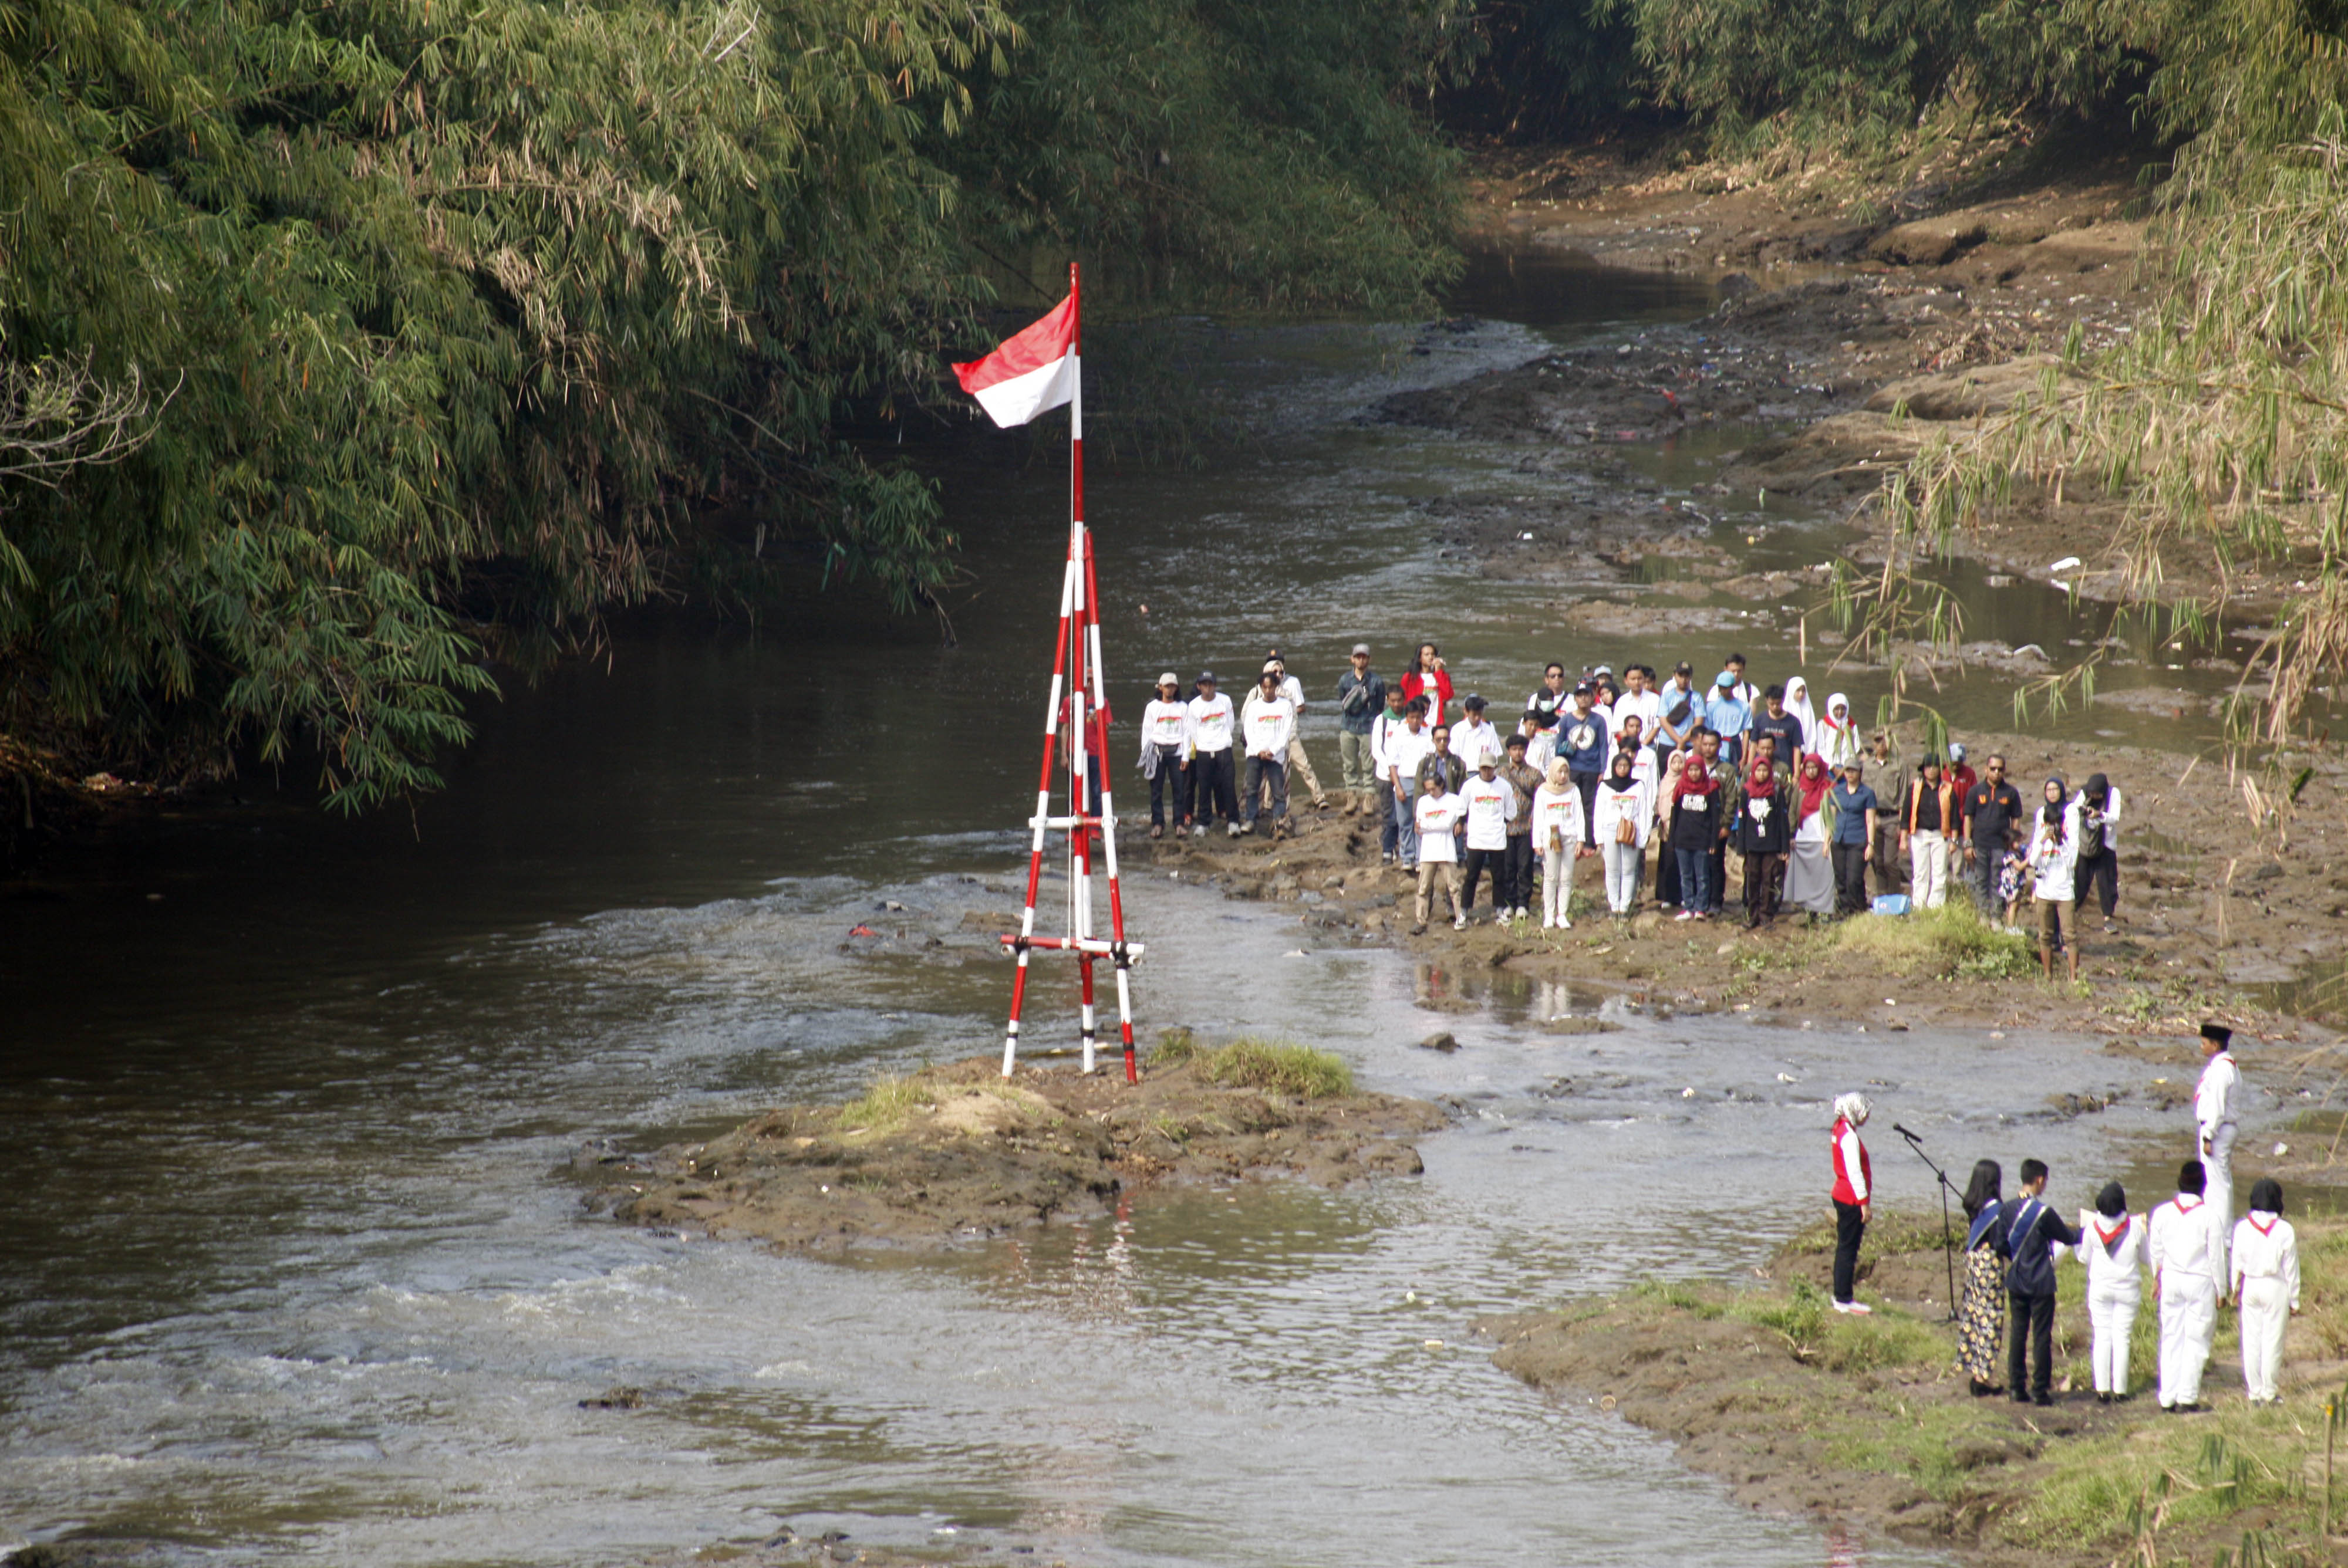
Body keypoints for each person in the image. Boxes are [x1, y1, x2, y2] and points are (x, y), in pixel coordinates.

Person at [1994, 1157, 2082, 1407]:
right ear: (2040, 1180)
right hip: (2041, 1282)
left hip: (2017, 1280)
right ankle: (2040, 1390)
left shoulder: (2007, 1209)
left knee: (2018, 1335)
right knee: (2042, 1337)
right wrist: (2091, 1229)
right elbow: (2067, 1236)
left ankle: (2016, 1388)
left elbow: (2001, 1244)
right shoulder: (2044, 1213)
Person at [2149, 1160, 2222, 1412]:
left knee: (2170, 1337)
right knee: (2196, 1340)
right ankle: (2187, 1397)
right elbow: (2216, 1258)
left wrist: (2156, 1278)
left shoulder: (2162, 1213)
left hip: (2170, 1278)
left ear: (2179, 1183)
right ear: (2204, 1186)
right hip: (2199, 1280)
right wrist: (2221, 1290)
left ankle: (2167, 1397)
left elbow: (2155, 1251)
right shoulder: (2210, 1216)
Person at [2076, 1181, 2150, 1402]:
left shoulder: (2091, 1228)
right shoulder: (2135, 1228)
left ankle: (2102, 1390)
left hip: (2100, 1289)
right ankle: (2120, 1390)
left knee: (2102, 1336)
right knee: (2122, 1338)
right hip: (2128, 1291)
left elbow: (2083, 1258)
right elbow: (2146, 1258)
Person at [2232, 1178, 2300, 1406]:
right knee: (2273, 1340)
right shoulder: (2284, 1230)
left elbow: (2236, 1262)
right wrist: (2295, 1299)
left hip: (2250, 1286)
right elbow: (2291, 1268)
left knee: (2251, 1340)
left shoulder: (2242, 1227)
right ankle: (2269, 1392)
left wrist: (2234, 1288)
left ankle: (2254, 1392)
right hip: (2275, 1286)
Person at [1957, 1160, 2007, 1396]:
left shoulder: (1975, 1206)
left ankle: (1974, 1369)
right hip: (1989, 1267)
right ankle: (1982, 1378)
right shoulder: (1996, 1210)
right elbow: (1999, 1243)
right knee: (1991, 1320)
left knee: (1975, 1315)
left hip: (1973, 1264)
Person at [2196, 1021, 2242, 1276]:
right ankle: (2215, 1231)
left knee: (2218, 1184)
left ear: (2215, 1045)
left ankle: (2223, 1238)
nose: (2201, 1047)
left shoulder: (2222, 1070)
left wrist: (2209, 1135)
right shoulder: (2223, 1066)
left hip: (2218, 1130)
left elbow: (2217, 1106)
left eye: (2204, 1043)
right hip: (2219, 1129)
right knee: (2214, 1183)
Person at [2026, 776, 2080, 982]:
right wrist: (2043, 839)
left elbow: (2073, 860)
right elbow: (2033, 860)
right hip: (2044, 888)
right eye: (2048, 790)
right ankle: (2047, 975)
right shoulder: (2042, 813)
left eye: (2055, 789)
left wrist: (2060, 840)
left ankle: (2073, 978)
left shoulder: (2071, 812)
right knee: (2044, 934)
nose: (2052, 793)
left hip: (2064, 888)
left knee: (2070, 934)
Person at [1733, 754, 1793, 928]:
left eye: (1765, 770)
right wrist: (1741, 846)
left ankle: (1766, 914)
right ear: (1753, 771)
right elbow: (1742, 819)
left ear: (1770, 772)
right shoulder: (1746, 791)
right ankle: (1752, 915)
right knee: (1752, 879)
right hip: (1752, 844)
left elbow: (1782, 819)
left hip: (1771, 844)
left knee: (1768, 880)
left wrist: (1783, 847)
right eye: (1758, 770)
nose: (1761, 774)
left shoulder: (1776, 791)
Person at [1959, 754, 2024, 915]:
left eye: (2000, 769)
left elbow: (2016, 819)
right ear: (1986, 770)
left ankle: (1996, 916)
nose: (1996, 772)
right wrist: (1967, 844)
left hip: (2000, 847)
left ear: (2004, 771)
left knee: (1998, 881)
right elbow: (1968, 818)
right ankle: (1982, 916)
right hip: (1979, 844)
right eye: (1993, 769)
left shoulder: (2011, 793)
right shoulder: (1975, 791)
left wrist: (2013, 845)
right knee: (1980, 881)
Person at [1263, 651, 1328, 811]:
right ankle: (1267, 804)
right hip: (1271, 736)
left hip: (1290, 735)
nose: (1278, 673)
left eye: (1280, 668)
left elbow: (1300, 707)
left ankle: (1319, 798)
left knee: (1304, 766)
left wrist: (1285, 716)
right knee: (1271, 770)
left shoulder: (1291, 683)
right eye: (1273, 667)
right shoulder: (1262, 686)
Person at [1669, 741, 1726, 921]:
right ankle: (1688, 906)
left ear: (1702, 771)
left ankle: (1701, 908)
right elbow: (1675, 815)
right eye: (1691, 770)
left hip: (1702, 840)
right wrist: (1672, 840)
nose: (1694, 773)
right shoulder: (1680, 788)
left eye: (1697, 770)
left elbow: (1714, 818)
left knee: (1702, 876)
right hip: (1683, 839)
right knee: (1685, 876)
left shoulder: (1711, 789)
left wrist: (1713, 842)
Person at [1829, 1093, 1874, 1315]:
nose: (1867, 1116)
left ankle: (1841, 1294)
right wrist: (1864, 1204)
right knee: (1849, 1249)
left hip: (1841, 1194)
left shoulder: (1839, 1128)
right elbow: (1855, 1173)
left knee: (1844, 1247)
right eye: (1865, 1111)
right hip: (1850, 1198)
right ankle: (1843, 1299)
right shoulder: (1849, 1137)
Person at [1459, 754, 1518, 922]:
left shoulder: (1504, 787)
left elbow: (1512, 812)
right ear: (1479, 768)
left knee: (1499, 877)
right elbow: (1461, 809)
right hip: (1476, 839)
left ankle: (1500, 910)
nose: (1487, 771)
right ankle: (1464, 912)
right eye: (1484, 768)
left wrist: (1499, 823)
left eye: (1490, 768)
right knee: (1471, 876)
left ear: (1495, 768)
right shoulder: (1470, 786)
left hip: (1497, 839)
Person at [1593, 748, 1649, 917]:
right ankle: (1614, 906)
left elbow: (1644, 812)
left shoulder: (1638, 786)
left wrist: (1643, 837)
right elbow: (1598, 812)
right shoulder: (1605, 786)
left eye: (1626, 765)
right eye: (1620, 766)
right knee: (1612, 869)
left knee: (1629, 870)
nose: (1623, 769)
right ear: (1614, 767)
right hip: (1609, 829)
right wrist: (1598, 837)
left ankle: (1625, 907)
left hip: (1631, 830)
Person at [1239, 665, 1295, 838]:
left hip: (1275, 755)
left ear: (1276, 687)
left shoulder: (1285, 706)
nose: (1269, 690)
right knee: (1252, 789)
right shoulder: (1254, 707)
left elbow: (1286, 731)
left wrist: (1272, 750)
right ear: (1261, 688)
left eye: (1271, 687)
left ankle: (1279, 821)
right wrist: (1258, 750)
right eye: (1265, 687)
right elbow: (1248, 730)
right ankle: (1251, 820)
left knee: (1279, 791)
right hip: (1255, 754)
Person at [1373, 691, 1428, 864]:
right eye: (1411, 717)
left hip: (1423, 783)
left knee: (1420, 822)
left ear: (1422, 717)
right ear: (1407, 718)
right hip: (1403, 780)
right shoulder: (1398, 733)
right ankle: (1406, 857)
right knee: (1403, 821)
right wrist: (1397, 786)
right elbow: (1392, 762)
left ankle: (1420, 858)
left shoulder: (1429, 734)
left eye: (1418, 717)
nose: (1415, 721)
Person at [1138, 673, 1193, 839]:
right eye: (1167, 686)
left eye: (1173, 686)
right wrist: (1146, 755)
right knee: (1156, 790)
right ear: (1160, 687)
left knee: (1179, 790)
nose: (1170, 689)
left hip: (1176, 752)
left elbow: (1187, 733)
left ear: (1176, 688)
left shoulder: (1183, 707)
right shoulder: (1152, 707)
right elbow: (1146, 733)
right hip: (1157, 752)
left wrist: (1185, 756)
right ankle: (1158, 823)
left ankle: (1179, 823)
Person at [1186, 670, 1240, 837]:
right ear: (1199, 686)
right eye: (1204, 685)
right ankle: (1204, 822)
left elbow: (1230, 723)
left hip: (1223, 748)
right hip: (1203, 750)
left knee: (1228, 785)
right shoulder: (1194, 705)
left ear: (1215, 686)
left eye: (1210, 685)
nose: (1208, 688)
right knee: (1204, 787)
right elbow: (1192, 730)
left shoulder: (1225, 701)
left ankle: (1233, 821)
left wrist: (1222, 740)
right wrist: (1203, 744)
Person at [1411, 772, 1466, 934]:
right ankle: (1421, 920)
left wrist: (1428, 825)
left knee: (1454, 887)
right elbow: (1420, 826)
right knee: (1423, 887)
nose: (1431, 793)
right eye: (1428, 789)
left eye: (1433, 789)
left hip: (1447, 850)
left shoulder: (1453, 800)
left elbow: (1448, 824)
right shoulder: (1423, 802)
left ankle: (1460, 918)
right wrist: (1432, 825)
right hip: (1428, 851)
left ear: (1441, 785)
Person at [1334, 644, 1385, 817]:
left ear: (1369, 659)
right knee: (1349, 764)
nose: (1361, 660)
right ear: (1352, 659)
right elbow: (1343, 699)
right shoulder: (1345, 680)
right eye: (1358, 657)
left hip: (1368, 727)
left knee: (1369, 765)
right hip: (1348, 726)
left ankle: (1369, 796)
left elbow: (1380, 706)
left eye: (1364, 657)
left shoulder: (1376, 681)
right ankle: (1351, 795)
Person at [1532, 758, 1584, 929]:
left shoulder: (1573, 790)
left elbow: (1579, 816)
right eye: (1559, 772)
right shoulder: (1543, 791)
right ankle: (1549, 914)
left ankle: (1562, 914)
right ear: (1553, 772)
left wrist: (1581, 839)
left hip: (1570, 837)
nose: (1563, 776)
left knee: (1566, 877)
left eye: (1566, 772)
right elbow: (1538, 818)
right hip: (1550, 838)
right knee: (1551, 877)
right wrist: (1537, 842)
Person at [1783, 753, 1837, 916]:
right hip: (1803, 837)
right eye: (1808, 768)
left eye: (1814, 768)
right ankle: (1806, 907)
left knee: (1823, 874)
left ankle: (1823, 909)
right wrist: (1791, 835)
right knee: (1804, 874)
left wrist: (1829, 838)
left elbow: (1833, 813)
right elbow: (1793, 811)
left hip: (1822, 838)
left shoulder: (1829, 787)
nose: (1811, 771)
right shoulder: (1800, 787)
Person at [1900, 756, 1956, 909]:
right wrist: (1904, 839)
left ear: (1940, 769)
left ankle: (1936, 905)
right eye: (1928, 767)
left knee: (1940, 872)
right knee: (1920, 872)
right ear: (1923, 770)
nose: (1931, 770)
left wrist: (1954, 841)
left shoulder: (1948, 789)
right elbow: (1906, 814)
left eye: (1934, 767)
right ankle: (1918, 905)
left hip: (1941, 835)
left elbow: (1955, 817)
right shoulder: (1915, 788)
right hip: (1919, 834)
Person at [1499, 732, 1543, 922]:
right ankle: (1509, 903)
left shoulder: (1534, 774)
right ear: (1509, 751)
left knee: (1525, 867)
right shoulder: (1501, 774)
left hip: (1527, 827)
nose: (1518, 753)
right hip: (1506, 829)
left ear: (1525, 751)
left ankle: (1524, 903)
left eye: (1521, 749)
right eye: (1514, 749)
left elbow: (1542, 799)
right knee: (1508, 867)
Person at [2073, 772, 2124, 928]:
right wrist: (2084, 812)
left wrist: (2100, 815)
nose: (2094, 796)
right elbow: (2074, 811)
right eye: (2092, 793)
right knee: (2080, 881)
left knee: (2106, 882)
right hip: (2087, 844)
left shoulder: (2113, 794)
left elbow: (2115, 817)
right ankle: (2071, 911)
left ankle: (2108, 917)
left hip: (2106, 844)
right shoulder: (2084, 793)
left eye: (2097, 794)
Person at [1559, 686, 1609, 844]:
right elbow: (1559, 745)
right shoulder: (1567, 720)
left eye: (1586, 695)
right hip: (1572, 768)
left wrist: (1603, 770)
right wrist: (1560, 768)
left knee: (1590, 806)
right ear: (1575, 698)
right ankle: (1571, 840)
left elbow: (1603, 746)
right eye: (1580, 696)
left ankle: (1589, 841)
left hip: (1592, 769)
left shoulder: (1598, 720)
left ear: (1592, 697)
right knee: (1570, 805)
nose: (1583, 699)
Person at [1827, 758, 1877, 915]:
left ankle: (1858, 907)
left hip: (1858, 839)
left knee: (1854, 878)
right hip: (1839, 839)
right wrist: (1826, 841)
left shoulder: (1867, 793)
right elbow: (1831, 818)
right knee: (1841, 878)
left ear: (1859, 773)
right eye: (1847, 771)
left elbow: (1870, 820)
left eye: (1853, 771)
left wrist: (1871, 844)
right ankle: (1845, 911)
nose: (1850, 774)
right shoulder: (1837, 791)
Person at [1401, 642, 1453, 727]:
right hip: (1415, 721)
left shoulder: (1442, 676)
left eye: (1433, 654)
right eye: (1427, 654)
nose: (1431, 657)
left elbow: (1448, 695)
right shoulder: (1409, 677)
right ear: (1419, 658)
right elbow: (1404, 700)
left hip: (1436, 722)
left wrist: (1439, 671)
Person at [1655, 661, 1702, 756]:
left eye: (1687, 676)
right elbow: (1663, 721)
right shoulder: (1666, 696)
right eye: (1680, 676)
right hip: (1667, 743)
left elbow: (1698, 723)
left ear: (1691, 677)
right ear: (1674, 675)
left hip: (1689, 744)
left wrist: (1683, 740)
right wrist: (1679, 740)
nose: (1684, 680)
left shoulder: (1697, 697)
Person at [1704, 671, 1749, 767]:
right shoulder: (1711, 707)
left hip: (1735, 743)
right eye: (1720, 688)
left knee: (1734, 775)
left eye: (1725, 688)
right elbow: (1708, 730)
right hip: (1716, 743)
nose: (1722, 691)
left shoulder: (1744, 707)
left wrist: (1744, 758)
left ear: (1732, 687)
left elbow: (1746, 733)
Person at [1749, 684, 1805, 762]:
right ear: (1766, 701)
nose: (1775, 707)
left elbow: (1797, 748)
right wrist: (1750, 767)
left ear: (1783, 700)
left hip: (1785, 766)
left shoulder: (1794, 722)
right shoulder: (1759, 720)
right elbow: (1753, 744)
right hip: (1762, 767)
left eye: (1778, 704)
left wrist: (1796, 773)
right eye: (1772, 704)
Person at [1454, 694, 1504, 771]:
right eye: (1474, 715)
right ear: (1466, 712)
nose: (1477, 718)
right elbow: (1454, 755)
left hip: (1484, 772)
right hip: (1464, 773)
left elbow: (1495, 755)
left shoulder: (1489, 729)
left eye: (1480, 714)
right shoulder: (1458, 729)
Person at [1817, 691, 1862, 770]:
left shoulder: (1852, 725)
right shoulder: (1823, 725)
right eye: (1837, 709)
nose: (1840, 712)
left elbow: (1856, 747)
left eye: (1843, 709)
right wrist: (1832, 767)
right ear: (1831, 709)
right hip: (1828, 768)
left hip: (1848, 767)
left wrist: (1849, 764)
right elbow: (1821, 750)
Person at [1525, 662, 1571, 736]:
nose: (1557, 678)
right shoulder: (1535, 698)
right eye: (1553, 676)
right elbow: (1529, 720)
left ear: (1564, 679)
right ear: (1546, 679)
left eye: (1560, 676)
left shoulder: (1573, 700)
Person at [1782, 676, 1818, 747]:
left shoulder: (1808, 710)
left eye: (1803, 691)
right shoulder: (1785, 709)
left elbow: (1811, 732)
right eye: (1798, 691)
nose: (1801, 694)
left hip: (1807, 749)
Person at [1946, 742, 1978, 807]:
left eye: (1959, 764)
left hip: (1962, 814)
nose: (1956, 767)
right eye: (1954, 764)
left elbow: (1973, 794)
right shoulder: (1941, 772)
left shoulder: (1969, 773)